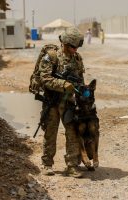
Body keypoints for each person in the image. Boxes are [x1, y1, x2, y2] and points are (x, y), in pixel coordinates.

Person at [36, 27, 85, 178]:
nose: (75, 49)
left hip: (68, 102)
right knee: (50, 133)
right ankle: (47, 164)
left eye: (77, 47)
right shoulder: (51, 57)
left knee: (72, 133)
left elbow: (80, 80)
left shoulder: (77, 59)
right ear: (64, 43)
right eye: (72, 46)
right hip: (52, 101)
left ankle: (72, 165)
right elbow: (45, 78)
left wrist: (82, 95)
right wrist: (63, 85)